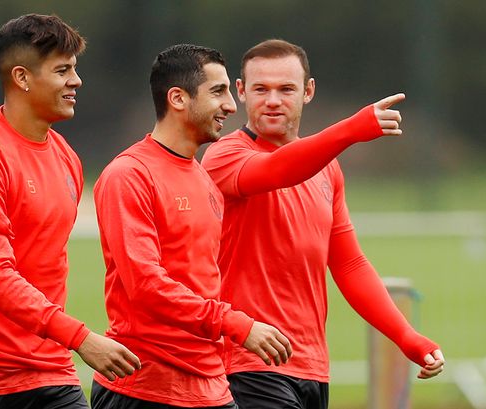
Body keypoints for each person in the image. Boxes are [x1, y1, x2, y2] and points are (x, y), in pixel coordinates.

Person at [201, 38, 445, 409]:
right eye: (260, 89)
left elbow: (349, 265)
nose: (272, 100)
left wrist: (407, 337)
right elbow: (278, 169)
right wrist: (349, 130)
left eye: (286, 89)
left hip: (312, 369)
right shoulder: (224, 155)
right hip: (248, 363)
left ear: (308, 91)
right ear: (240, 91)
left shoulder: (327, 170)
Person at [0, 14, 140, 409]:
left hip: (50, 372)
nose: (76, 81)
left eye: (75, 69)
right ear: (21, 77)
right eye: (62, 70)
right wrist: (80, 338)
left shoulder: (67, 159)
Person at [90, 44, 294, 409]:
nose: (231, 106)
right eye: (218, 92)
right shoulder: (129, 175)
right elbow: (146, 285)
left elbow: (203, 282)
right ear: (178, 98)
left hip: (210, 387)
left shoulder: (205, 181)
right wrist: (236, 324)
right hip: (144, 388)